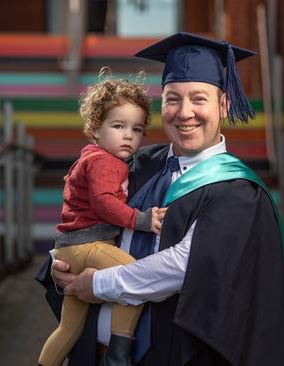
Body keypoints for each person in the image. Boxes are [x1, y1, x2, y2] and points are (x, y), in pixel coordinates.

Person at [36, 32, 284, 366]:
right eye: (173, 98)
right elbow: (85, 212)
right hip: (94, 353)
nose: (184, 112)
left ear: (224, 104)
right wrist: (63, 267)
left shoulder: (236, 191)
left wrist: (97, 283)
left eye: (199, 99)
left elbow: (182, 267)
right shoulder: (137, 164)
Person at [38, 70, 167, 366]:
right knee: (133, 277)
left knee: (69, 328)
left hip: (71, 247)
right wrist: (143, 220)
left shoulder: (93, 157)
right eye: (118, 126)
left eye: (136, 129)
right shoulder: (103, 162)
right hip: (88, 245)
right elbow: (104, 203)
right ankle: (118, 355)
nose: (128, 136)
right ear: (96, 129)